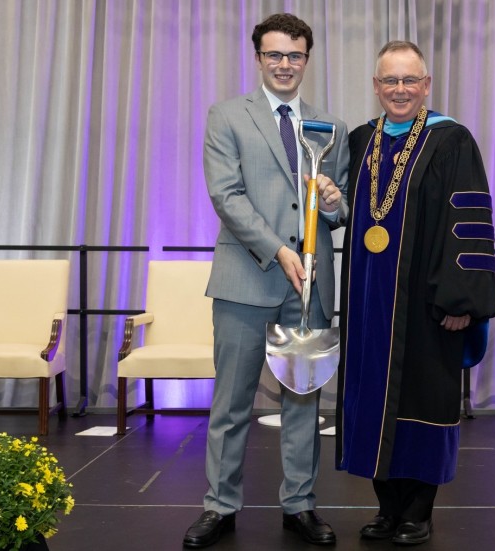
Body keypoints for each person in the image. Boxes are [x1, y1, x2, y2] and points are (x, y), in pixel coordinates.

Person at [183, 13, 349, 549]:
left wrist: (333, 201)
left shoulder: (330, 126)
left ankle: (299, 505)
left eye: (295, 55)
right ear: (258, 58)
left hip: (309, 289)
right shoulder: (227, 116)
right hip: (245, 281)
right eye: (274, 54)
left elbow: (340, 210)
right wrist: (278, 250)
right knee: (231, 403)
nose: (284, 64)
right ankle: (220, 506)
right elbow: (226, 196)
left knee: (303, 402)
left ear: (307, 59)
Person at [336, 40, 495, 546]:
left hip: (429, 305)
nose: (400, 90)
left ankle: (418, 512)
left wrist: (459, 301)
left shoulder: (451, 140)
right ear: (377, 86)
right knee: (372, 402)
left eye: (410, 80)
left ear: (426, 85)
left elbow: (468, 223)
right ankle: (386, 508)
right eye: (390, 80)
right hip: (369, 302)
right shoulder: (362, 140)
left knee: (424, 401)